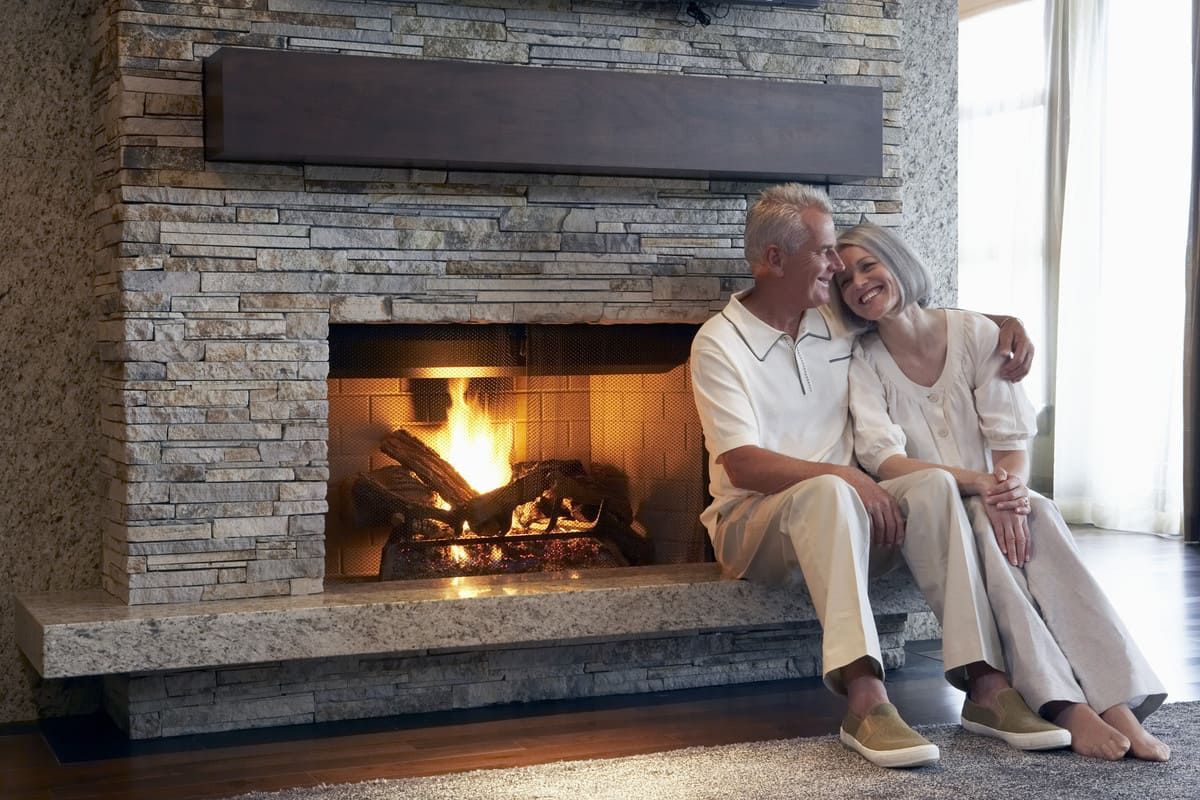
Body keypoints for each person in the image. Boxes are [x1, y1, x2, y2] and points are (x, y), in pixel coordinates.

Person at [689, 183, 1061, 769]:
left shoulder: (832, 322)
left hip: (853, 511)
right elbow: (742, 463)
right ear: (775, 260)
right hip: (752, 526)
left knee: (935, 484)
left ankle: (986, 685)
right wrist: (851, 478)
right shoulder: (718, 342)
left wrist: (1004, 323)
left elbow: (907, 312)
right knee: (830, 491)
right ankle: (866, 699)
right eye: (825, 252)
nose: (838, 268)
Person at [833, 222, 1169, 761]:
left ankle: (1112, 700)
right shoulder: (862, 360)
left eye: (868, 265)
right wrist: (985, 486)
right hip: (928, 501)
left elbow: (1011, 440)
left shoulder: (979, 336)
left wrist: (1008, 488)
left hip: (992, 492)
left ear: (896, 261)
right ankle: (1063, 703)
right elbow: (886, 459)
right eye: (846, 279)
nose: (859, 282)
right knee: (989, 522)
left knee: (1038, 510)